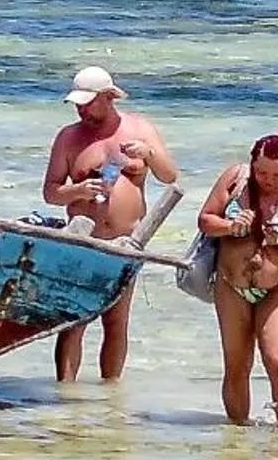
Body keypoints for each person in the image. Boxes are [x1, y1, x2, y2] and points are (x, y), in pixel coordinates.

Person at [41, 66, 180, 382]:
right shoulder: (69, 137)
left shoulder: (139, 127)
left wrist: (149, 154)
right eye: (78, 104)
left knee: (116, 321)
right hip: (82, 240)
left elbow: (170, 176)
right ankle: (67, 393)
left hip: (125, 240)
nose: (81, 110)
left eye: (87, 103)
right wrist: (77, 190)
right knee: (73, 319)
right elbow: (50, 192)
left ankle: (110, 397)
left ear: (108, 97)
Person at [196, 133, 278, 427]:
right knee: (237, 364)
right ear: (252, 163)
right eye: (262, 172)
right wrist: (230, 225)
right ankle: (237, 437)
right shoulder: (235, 180)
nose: (268, 179)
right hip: (231, 285)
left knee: (277, 359)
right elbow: (205, 220)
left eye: (276, 174)